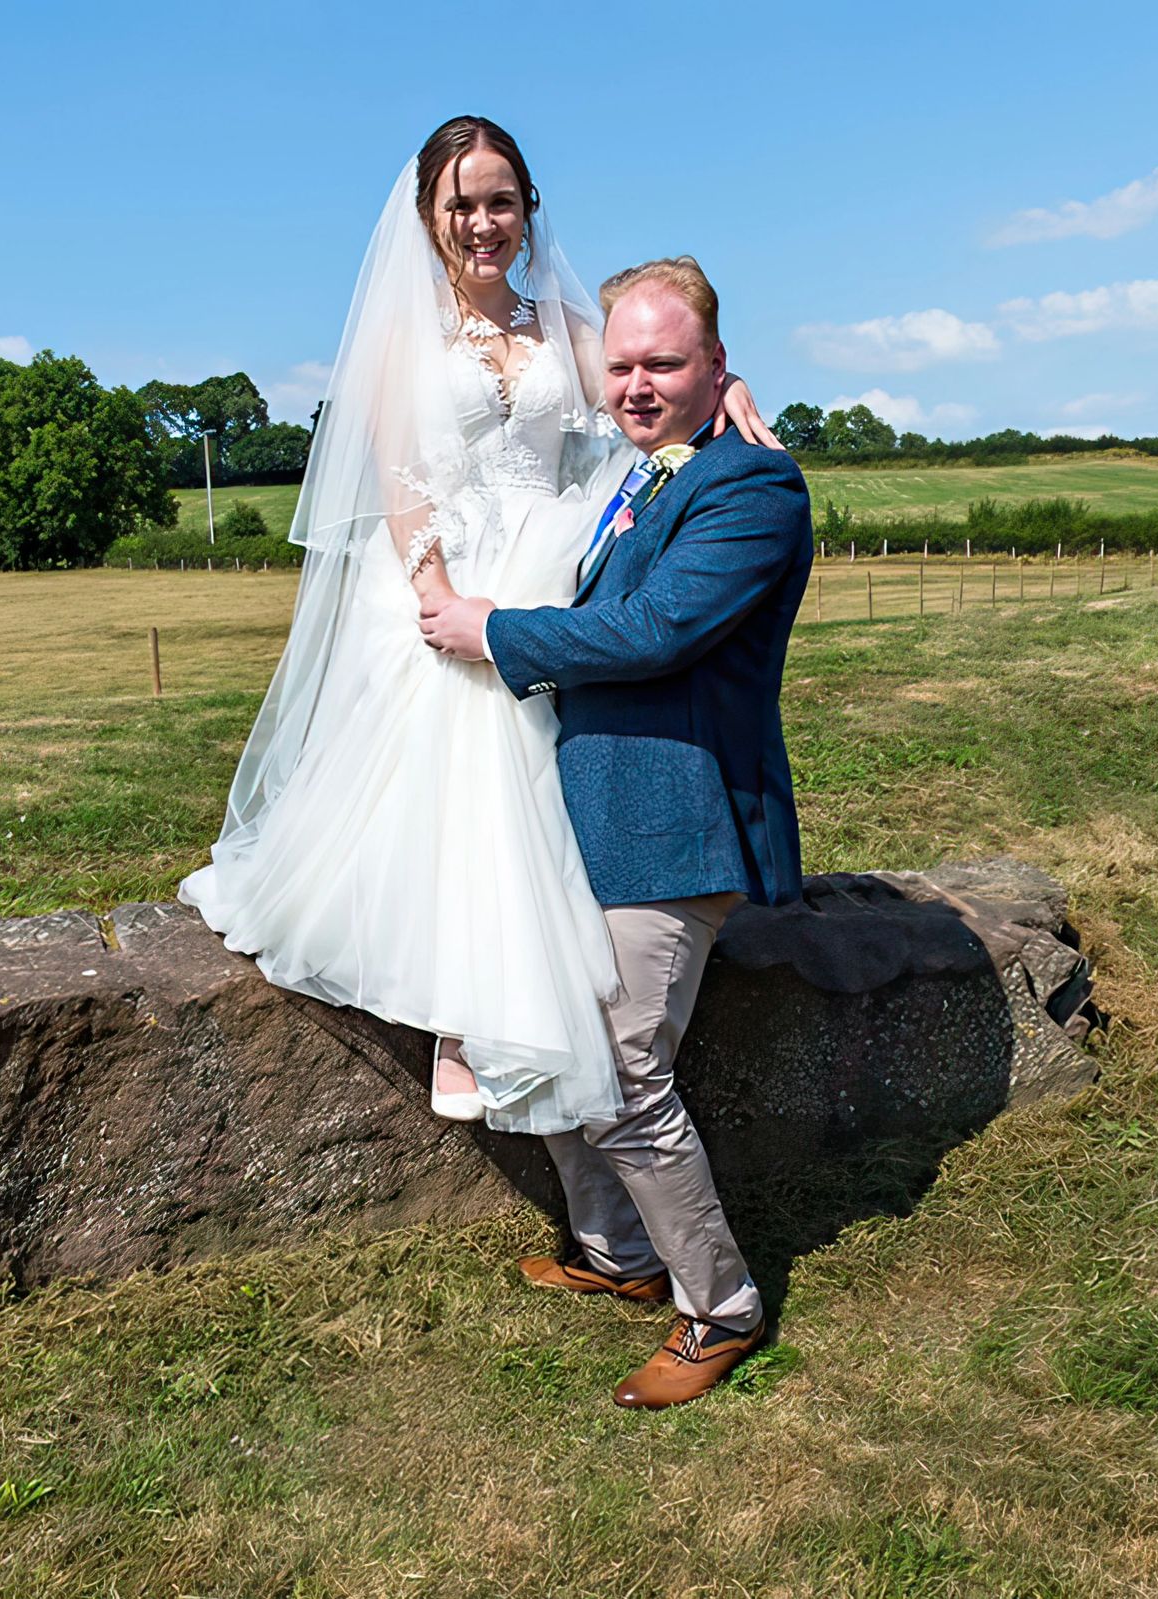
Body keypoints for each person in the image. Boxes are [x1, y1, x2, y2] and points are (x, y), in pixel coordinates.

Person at [179, 116, 777, 1139]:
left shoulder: (563, 326)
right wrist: (442, 601)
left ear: (527, 211)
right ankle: (462, 1019)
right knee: (468, 750)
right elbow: (399, 486)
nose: (483, 222)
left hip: (544, 566)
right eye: (461, 203)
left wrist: (726, 383)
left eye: (502, 200)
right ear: (428, 216)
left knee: (554, 766)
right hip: (438, 571)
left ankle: (566, 985)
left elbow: (648, 380)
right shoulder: (396, 337)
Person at [420, 257, 814, 1408]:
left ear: (716, 366)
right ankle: (619, 1256)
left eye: (666, 364)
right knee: (555, 1039)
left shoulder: (752, 487)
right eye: (624, 364)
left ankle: (721, 1309)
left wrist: (494, 629)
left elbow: (654, 630)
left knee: (624, 1074)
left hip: (671, 823)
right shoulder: (637, 471)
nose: (637, 384)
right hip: (579, 812)